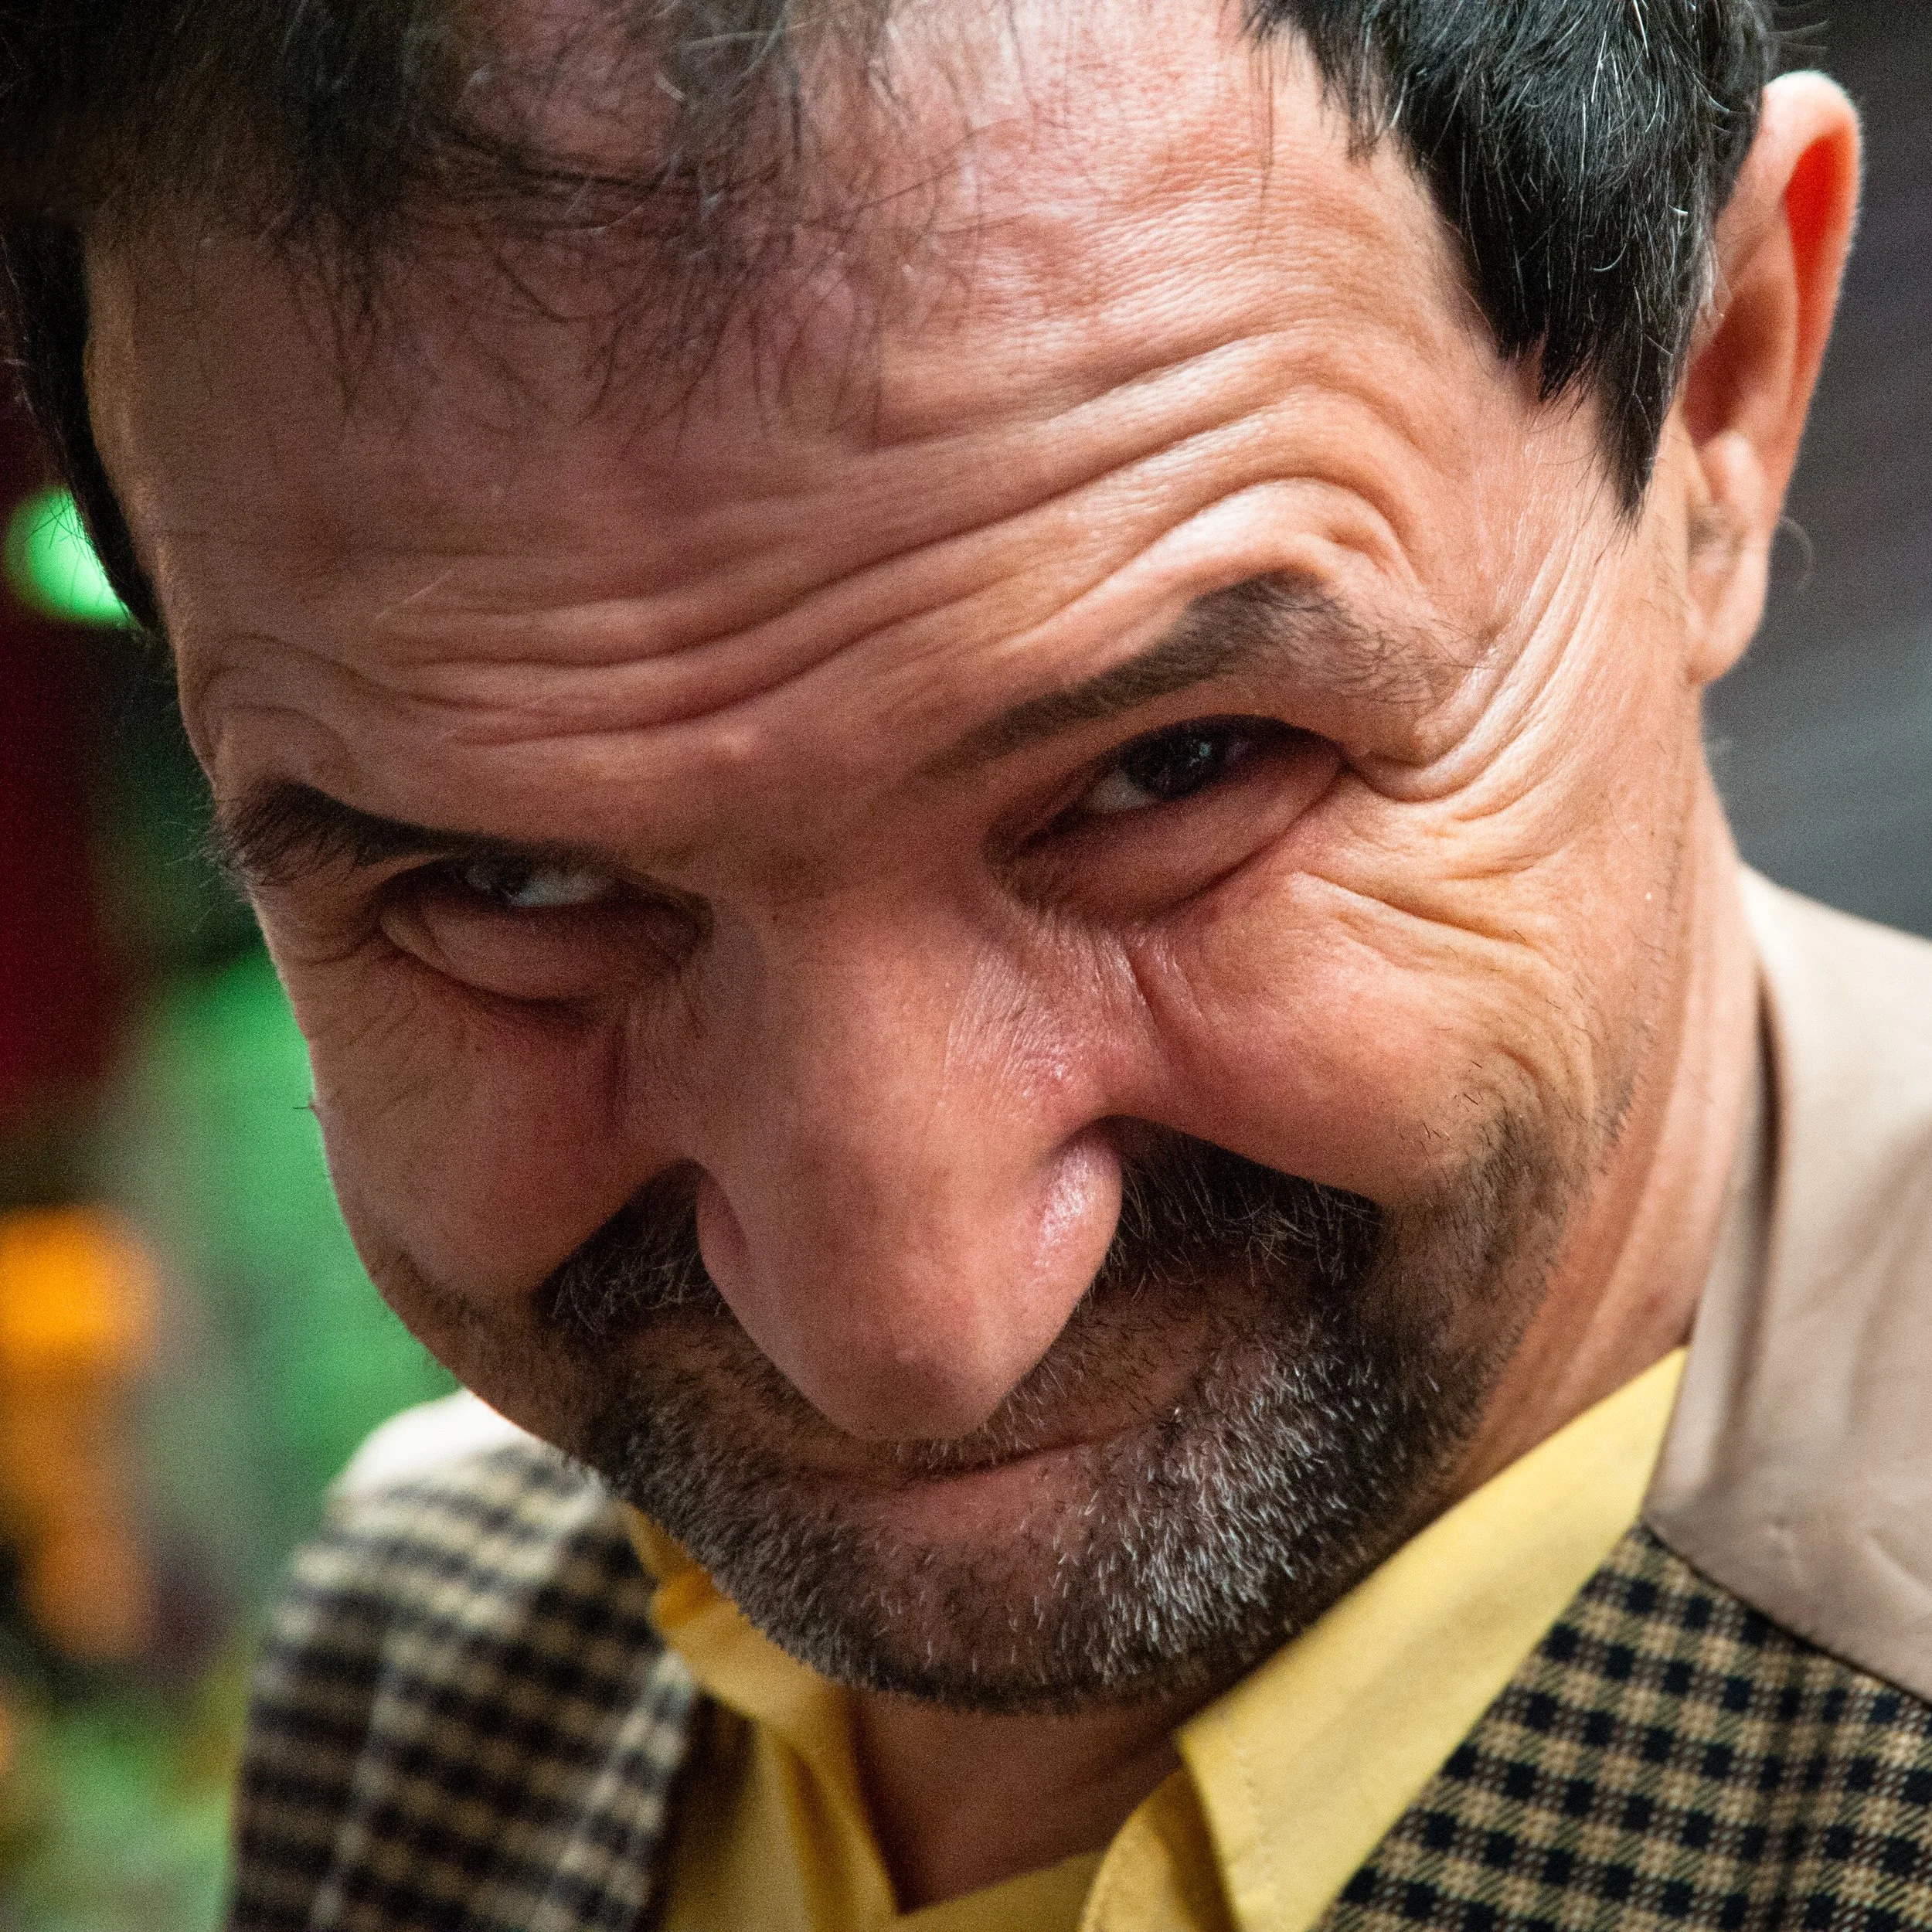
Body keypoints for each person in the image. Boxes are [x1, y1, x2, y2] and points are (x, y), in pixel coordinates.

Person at [5, 2, 1929, 1926]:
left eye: (1174, 773)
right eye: (502, 887)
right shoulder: (418, 1655)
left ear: (1713, 397)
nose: (904, 1336)